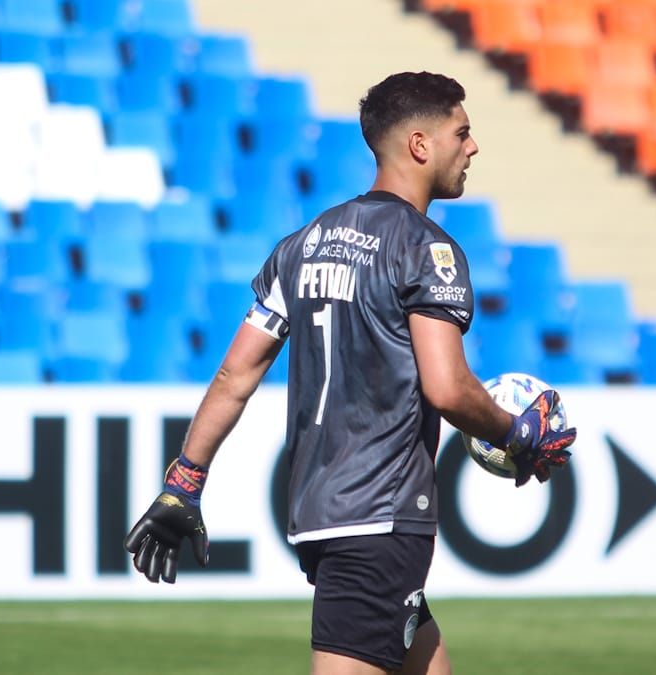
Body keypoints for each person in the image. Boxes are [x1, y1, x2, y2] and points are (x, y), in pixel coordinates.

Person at [124, 71, 577, 675]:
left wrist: (185, 480)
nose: (472, 147)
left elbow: (235, 375)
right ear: (421, 144)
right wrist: (517, 433)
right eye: (462, 133)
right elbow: (447, 386)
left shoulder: (301, 245)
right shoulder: (426, 248)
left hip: (323, 510)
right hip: (381, 514)